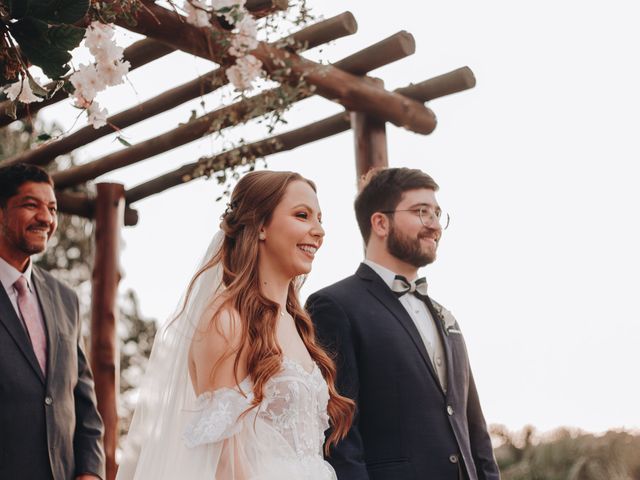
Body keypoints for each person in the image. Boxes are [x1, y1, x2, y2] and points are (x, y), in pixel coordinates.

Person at [117, 170, 354, 480]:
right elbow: (223, 459)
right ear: (261, 226)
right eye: (302, 215)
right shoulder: (226, 320)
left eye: (320, 219)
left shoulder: (298, 324)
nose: (319, 230)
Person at [307, 167, 500, 480]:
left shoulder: (444, 314)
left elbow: (474, 425)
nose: (435, 225)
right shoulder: (334, 306)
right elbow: (339, 435)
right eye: (421, 211)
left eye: (437, 213)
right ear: (380, 222)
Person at [0, 164, 105, 480]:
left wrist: (90, 471)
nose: (46, 218)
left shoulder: (65, 298)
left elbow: (83, 400)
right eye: (31, 205)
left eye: (52, 208)